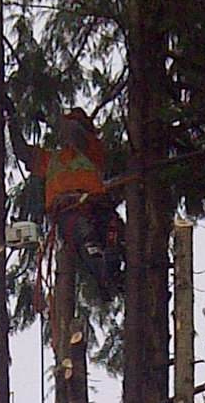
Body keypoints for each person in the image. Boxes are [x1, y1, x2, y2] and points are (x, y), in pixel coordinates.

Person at [18, 109, 126, 297]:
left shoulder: (92, 151)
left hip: (97, 206)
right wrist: (12, 120)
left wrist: (50, 119)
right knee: (87, 237)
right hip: (68, 210)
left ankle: (116, 274)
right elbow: (23, 152)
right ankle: (106, 277)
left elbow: (76, 132)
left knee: (115, 234)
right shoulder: (51, 159)